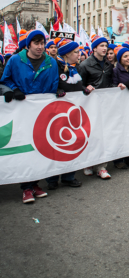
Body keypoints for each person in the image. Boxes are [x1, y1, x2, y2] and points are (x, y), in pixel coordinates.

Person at [1, 30, 59, 204]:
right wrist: (14, 89)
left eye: (42, 43)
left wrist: (59, 91)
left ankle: (35, 183)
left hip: (42, 112)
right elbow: (4, 80)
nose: (40, 47)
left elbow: (54, 83)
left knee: (39, 147)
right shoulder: (15, 60)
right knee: (25, 147)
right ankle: (26, 187)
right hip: (22, 111)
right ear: (29, 45)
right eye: (36, 43)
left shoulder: (51, 63)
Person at [46, 38, 86, 190]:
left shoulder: (75, 68)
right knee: (56, 145)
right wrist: (56, 90)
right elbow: (50, 84)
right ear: (68, 54)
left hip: (73, 112)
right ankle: (52, 178)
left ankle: (69, 176)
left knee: (72, 143)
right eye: (76, 52)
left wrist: (84, 90)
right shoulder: (54, 66)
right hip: (58, 112)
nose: (79, 54)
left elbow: (77, 86)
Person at [78, 35, 114, 179]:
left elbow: (109, 83)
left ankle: (102, 166)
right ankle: (88, 163)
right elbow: (79, 85)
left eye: (106, 46)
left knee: (103, 135)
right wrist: (85, 88)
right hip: (90, 106)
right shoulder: (85, 65)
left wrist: (117, 87)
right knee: (91, 135)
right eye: (102, 46)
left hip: (105, 105)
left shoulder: (108, 65)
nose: (105, 48)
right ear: (94, 49)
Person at [113, 47, 129, 169]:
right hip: (119, 106)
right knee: (119, 132)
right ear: (120, 59)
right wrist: (118, 86)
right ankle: (118, 159)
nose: (128, 58)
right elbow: (111, 87)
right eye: (125, 56)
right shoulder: (115, 71)